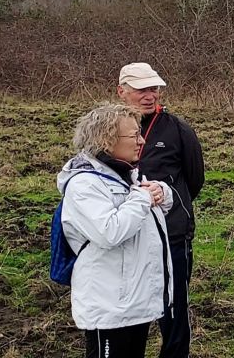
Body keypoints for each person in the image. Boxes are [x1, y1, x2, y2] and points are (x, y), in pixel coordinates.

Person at [58, 103, 176, 358]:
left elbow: (142, 221)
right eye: (134, 135)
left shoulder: (124, 175)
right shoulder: (84, 185)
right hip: (110, 307)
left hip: (133, 302)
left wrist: (161, 194)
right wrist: (143, 199)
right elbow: (109, 231)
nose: (142, 140)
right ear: (107, 139)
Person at [111, 62, 205, 358]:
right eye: (141, 89)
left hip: (172, 235)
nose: (149, 95)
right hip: (122, 238)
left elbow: (195, 179)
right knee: (125, 311)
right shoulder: (105, 129)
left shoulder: (178, 130)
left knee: (174, 311)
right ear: (121, 91)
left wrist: (169, 203)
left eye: (154, 88)